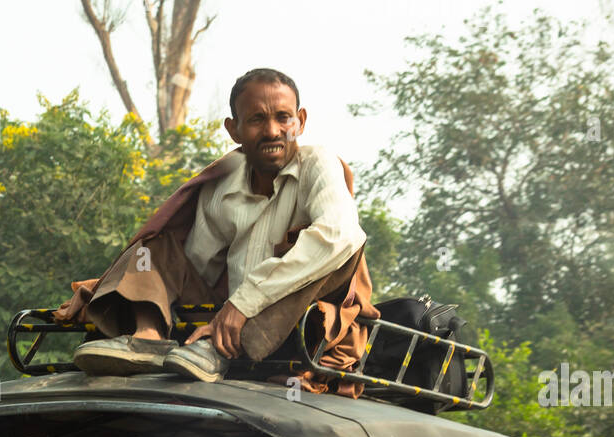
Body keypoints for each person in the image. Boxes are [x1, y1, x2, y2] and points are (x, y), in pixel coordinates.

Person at [57, 68, 380, 394]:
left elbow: (340, 235)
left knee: (328, 251)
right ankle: (148, 339)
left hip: (290, 326)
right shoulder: (221, 186)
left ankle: (216, 345)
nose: (272, 131)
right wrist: (149, 286)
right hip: (221, 320)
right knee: (154, 247)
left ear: (301, 121)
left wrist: (243, 304)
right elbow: (197, 266)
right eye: (256, 120)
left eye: (284, 118)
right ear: (233, 129)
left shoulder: (318, 163)